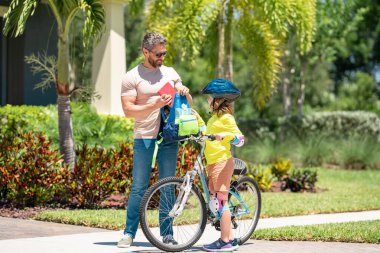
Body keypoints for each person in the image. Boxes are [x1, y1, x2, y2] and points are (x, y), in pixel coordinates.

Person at [118, 32, 192, 248]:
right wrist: (155, 104)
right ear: (145, 52)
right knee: (139, 187)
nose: (162, 58)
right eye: (158, 54)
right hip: (145, 136)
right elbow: (128, 110)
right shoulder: (132, 76)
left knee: (168, 185)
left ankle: (167, 235)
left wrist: (184, 93)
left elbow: (187, 103)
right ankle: (129, 233)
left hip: (170, 134)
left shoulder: (170, 73)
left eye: (164, 53)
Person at [201, 78, 245, 252]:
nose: (208, 101)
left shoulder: (227, 118)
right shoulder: (213, 119)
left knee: (221, 200)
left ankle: (225, 241)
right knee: (214, 198)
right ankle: (231, 238)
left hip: (222, 161)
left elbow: (240, 139)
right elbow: (207, 134)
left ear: (218, 101)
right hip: (212, 162)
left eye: (210, 98)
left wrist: (225, 135)